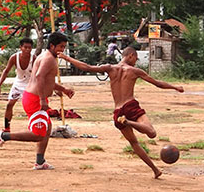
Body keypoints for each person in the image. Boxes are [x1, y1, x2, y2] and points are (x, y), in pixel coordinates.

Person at [58, 46, 184, 178]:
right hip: (130, 106)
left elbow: (87, 67)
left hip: (118, 112)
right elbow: (157, 83)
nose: (136, 61)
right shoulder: (134, 71)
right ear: (130, 55)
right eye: (136, 58)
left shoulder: (110, 68)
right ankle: (129, 122)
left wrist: (67, 58)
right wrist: (175, 87)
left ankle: (155, 170)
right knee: (151, 133)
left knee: (134, 143)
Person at [0, 32, 74, 170]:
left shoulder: (45, 57)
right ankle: (4, 136)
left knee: (47, 128)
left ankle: (40, 161)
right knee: (38, 134)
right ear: (52, 45)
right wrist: (43, 100)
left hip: (33, 97)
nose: (62, 50)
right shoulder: (48, 58)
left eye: (64, 47)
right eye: (61, 46)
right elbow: (39, 77)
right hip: (34, 100)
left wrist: (63, 89)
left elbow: (47, 80)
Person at [0, 38, 36, 133]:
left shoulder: (34, 58)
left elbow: (38, 73)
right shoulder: (14, 57)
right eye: (25, 47)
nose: (27, 50)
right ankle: (7, 127)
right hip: (18, 84)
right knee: (10, 104)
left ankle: (34, 126)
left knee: (32, 107)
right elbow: (6, 71)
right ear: (20, 47)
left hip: (30, 85)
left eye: (29, 48)